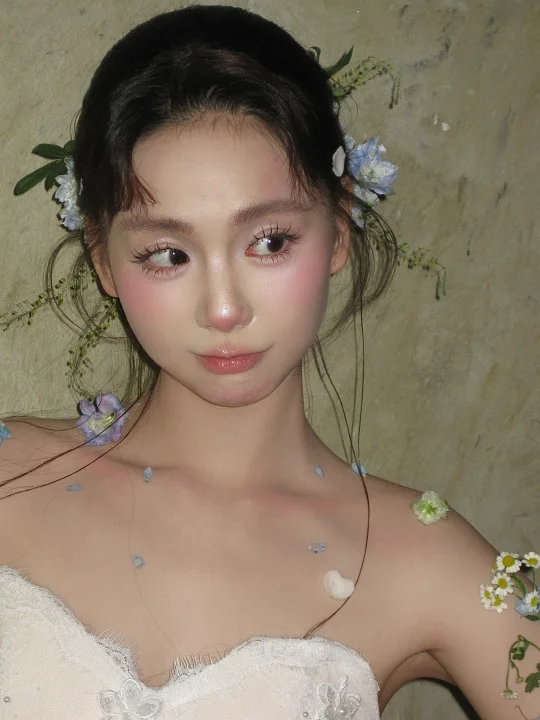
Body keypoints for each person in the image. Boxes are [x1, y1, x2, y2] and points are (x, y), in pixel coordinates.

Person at [0, 5, 538, 719]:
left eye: (271, 242)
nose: (223, 309)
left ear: (338, 229)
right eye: (168, 254)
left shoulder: (424, 562)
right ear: (104, 260)